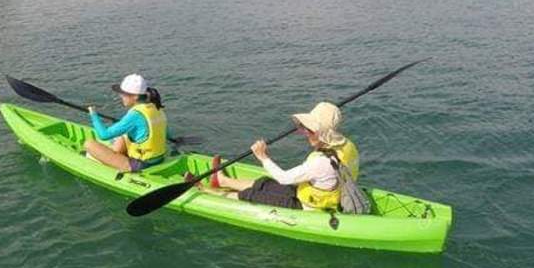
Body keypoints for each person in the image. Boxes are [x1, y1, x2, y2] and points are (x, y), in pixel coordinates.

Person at [201, 102, 359, 211]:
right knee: (266, 183)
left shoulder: (320, 162)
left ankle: (205, 193)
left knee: (253, 195)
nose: (304, 132)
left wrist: (263, 157)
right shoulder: (348, 146)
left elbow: (284, 178)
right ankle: (222, 181)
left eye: (309, 130)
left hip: (310, 205)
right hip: (322, 192)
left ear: (323, 133)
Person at [83, 74, 168, 173]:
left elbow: (104, 135)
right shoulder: (156, 108)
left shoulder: (135, 115)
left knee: (88, 144)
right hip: (159, 158)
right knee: (123, 135)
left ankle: (112, 161)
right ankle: (115, 155)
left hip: (141, 164)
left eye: (124, 94)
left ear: (135, 96)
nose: (121, 96)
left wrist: (93, 114)